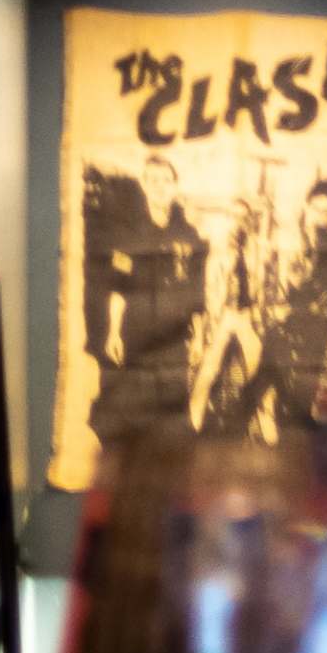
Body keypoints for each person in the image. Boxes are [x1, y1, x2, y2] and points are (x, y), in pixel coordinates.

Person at [91, 154, 208, 448]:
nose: (159, 187)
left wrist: (199, 338)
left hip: (175, 338)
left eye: (166, 180)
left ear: (175, 186)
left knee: (171, 412)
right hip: (136, 333)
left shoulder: (189, 236)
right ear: (144, 185)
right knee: (134, 407)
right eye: (153, 180)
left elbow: (197, 294)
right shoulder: (128, 235)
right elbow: (118, 287)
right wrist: (114, 332)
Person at [257, 179, 327, 440]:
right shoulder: (287, 238)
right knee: (271, 386)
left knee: (303, 394)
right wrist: (271, 313)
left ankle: (293, 444)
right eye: (317, 208)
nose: (321, 216)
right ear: (306, 205)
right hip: (281, 328)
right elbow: (268, 280)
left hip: (314, 331)